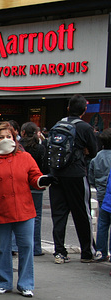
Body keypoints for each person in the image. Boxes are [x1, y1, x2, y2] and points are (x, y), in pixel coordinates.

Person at [0, 122, 54, 298]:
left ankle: (25, 284)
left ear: (15, 138)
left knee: (26, 247)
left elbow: (34, 177)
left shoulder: (25, 157)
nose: (6, 140)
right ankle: (5, 282)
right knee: (2, 248)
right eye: (2, 137)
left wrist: (42, 181)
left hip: (23, 209)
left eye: (9, 136)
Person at [50, 94, 98, 263]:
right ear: (84, 110)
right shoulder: (85, 128)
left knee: (59, 214)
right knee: (82, 213)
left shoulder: (57, 124)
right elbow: (94, 151)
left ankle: (59, 252)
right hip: (76, 174)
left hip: (56, 173)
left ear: (68, 108)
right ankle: (87, 252)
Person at [20, 122, 48, 256]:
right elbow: (44, 167)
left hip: (22, 185)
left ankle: (16, 246)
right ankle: (36, 247)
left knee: (19, 216)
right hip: (37, 185)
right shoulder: (40, 148)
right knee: (37, 216)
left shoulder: (19, 148)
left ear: (23, 132)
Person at [89, 129, 111, 260]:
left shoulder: (97, 157)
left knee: (103, 223)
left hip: (102, 193)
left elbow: (91, 178)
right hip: (108, 192)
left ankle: (101, 251)